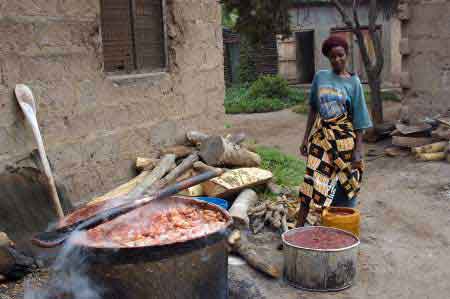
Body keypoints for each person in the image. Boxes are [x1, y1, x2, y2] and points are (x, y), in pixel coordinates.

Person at [297, 35, 373, 227]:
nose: (337, 60)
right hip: (321, 139)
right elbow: (313, 108)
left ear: (346, 54)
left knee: (344, 183)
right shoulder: (320, 77)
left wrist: (358, 150)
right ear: (328, 58)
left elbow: (359, 119)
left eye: (340, 55)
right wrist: (305, 139)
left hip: (345, 142)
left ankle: (338, 226)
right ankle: (298, 227)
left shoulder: (354, 83)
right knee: (312, 180)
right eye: (333, 57)